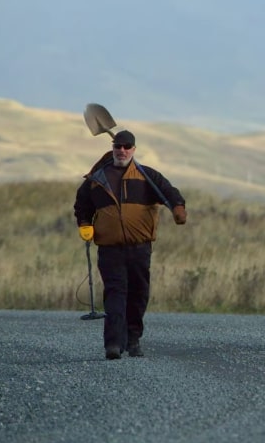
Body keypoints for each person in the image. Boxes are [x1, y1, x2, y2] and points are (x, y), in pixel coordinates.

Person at [74, 130, 187, 360]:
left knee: (138, 294)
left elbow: (170, 192)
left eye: (127, 146)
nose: (122, 150)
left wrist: (178, 208)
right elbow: (82, 204)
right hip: (110, 248)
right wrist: (84, 223)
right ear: (112, 147)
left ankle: (133, 340)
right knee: (115, 293)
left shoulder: (147, 176)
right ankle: (113, 344)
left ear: (134, 149)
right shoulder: (97, 179)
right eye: (118, 146)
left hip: (140, 247)